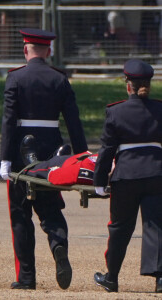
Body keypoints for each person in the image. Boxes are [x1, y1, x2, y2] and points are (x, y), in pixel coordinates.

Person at [0, 28, 88, 290]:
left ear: (25, 49)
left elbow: (8, 121)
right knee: (50, 209)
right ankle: (58, 242)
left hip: (20, 155)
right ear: (48, 51)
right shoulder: (59, 79)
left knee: (20, 216)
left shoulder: (15, 78)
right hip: (52, 155)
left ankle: (26, 278)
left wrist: (5, 159)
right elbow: (74, 122)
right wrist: (82, 156)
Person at [93, 59, 162, 293]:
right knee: (156, 227)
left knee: (120, 228)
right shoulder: (160, 110)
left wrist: (100, 181)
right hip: (156, 174)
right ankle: (160, 279)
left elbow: (106, 151)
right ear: (148, 85)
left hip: (126, 177)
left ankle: (111, 277)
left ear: (128, 85)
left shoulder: (116, 112)